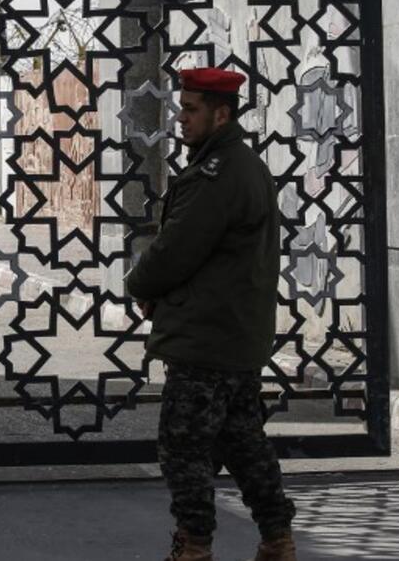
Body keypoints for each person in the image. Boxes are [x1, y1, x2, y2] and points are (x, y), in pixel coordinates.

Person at [126, 67, 297, 561]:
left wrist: (140, 284)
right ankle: (277, 540)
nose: (181, 119)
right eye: (182, 108)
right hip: (235, 335)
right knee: (244, 443)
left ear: (221, 114)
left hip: (208, 338)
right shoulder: (241, 164)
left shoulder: (217, 174)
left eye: (192, 109)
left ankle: (194, 546)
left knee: (182, 450)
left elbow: (178, 247)